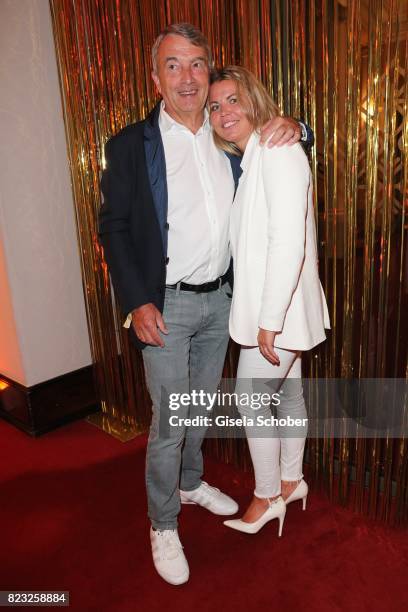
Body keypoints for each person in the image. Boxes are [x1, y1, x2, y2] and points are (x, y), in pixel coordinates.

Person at [99, 23, 313, 585]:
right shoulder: (131, 145)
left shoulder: (230, 137)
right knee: (170, 419)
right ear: (155, 77)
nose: (188, 77)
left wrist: (302, 128)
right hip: (164, 305)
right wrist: (137, 301)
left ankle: (190, 483)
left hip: (224, 300)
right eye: (174, 65)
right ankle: (162, 521)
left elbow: (277, 158)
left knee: (199, 407)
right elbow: (113, 226)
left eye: (197, 64)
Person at [209, 66, 330, 536]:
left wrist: (270, 320)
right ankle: (291, 478)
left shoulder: (276, 149)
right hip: (282, 306)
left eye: (233, 100)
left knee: (250, 399)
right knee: (290, 395)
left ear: (254, 100)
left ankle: (266, 496)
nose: (223, 112)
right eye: (215, 106)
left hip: (277, 309)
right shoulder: (254, 154)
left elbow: (288, 243)